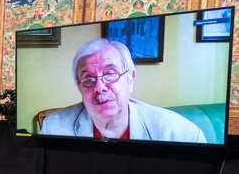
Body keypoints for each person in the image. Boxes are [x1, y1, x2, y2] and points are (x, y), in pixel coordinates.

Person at [40, 38, 207, 142]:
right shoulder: (54, 127)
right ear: (79, 88)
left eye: (110, 74)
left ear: (130, 79)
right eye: (88, 79)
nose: (99, 87)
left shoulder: (180, 134)